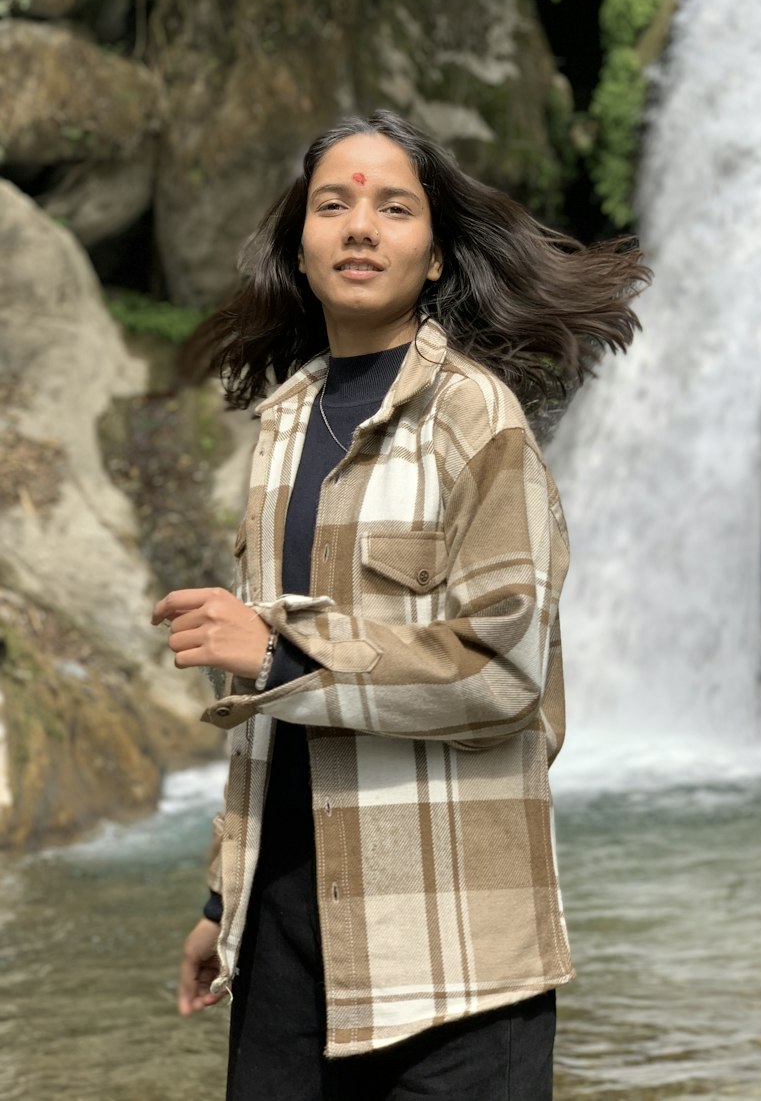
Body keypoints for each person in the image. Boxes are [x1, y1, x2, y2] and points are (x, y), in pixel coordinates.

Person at [151, 109, 649, 1100]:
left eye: (392, 206)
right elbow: (271, 729)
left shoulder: (476, 417)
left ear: (433, 257)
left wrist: (286, 655)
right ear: (300, 247)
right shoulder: (283, 425)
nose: (360, 225)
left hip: (453, 954)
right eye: (333, 204)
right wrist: (223, 895)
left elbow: (504, 671)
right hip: (287, 947)